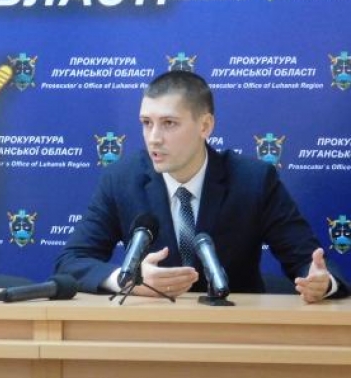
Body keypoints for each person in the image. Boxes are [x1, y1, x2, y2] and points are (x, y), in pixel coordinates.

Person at [54, 70, 348, 302]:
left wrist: (323, 283)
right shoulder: (122, 179)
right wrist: (127, 279)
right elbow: (72, 262)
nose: (153, 137)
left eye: (169, 123)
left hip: (234, 332)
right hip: (152, 332)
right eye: (146, 122)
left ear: (205, 126)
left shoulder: (253, 180)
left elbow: (308, 261)